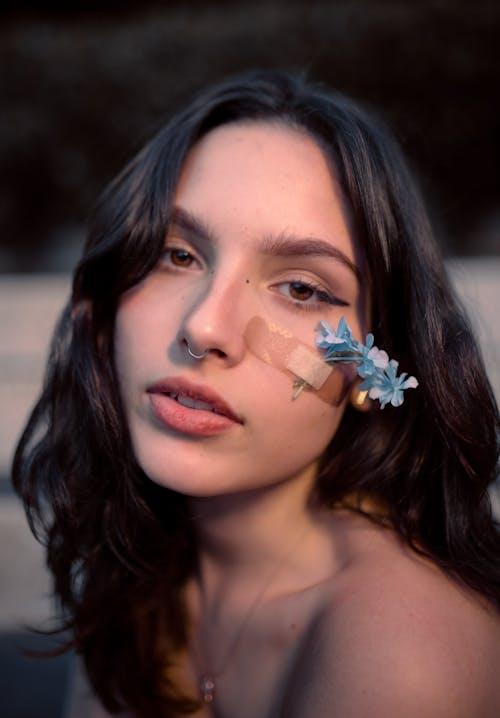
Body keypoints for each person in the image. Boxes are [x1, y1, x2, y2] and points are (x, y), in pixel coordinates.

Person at [12, 70, 500, 718]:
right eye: (175, 254)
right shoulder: (134, 549)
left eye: (301, 289)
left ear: (369, 373)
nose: (205, 328)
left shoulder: (406, 662)